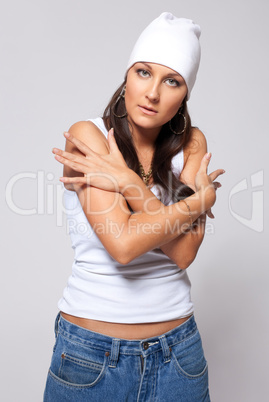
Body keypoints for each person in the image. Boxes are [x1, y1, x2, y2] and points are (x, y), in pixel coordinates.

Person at [44, 12, 224, 401]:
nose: (153, 92)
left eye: (172, 80)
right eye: (143, 72)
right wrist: (198, 201)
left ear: (184, 95)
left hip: (179, 357)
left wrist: (127, 183)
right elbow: (123, 245)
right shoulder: (88, 135)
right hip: (91, 356)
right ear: (127, 76)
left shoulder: (192, 143)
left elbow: (183, 253)